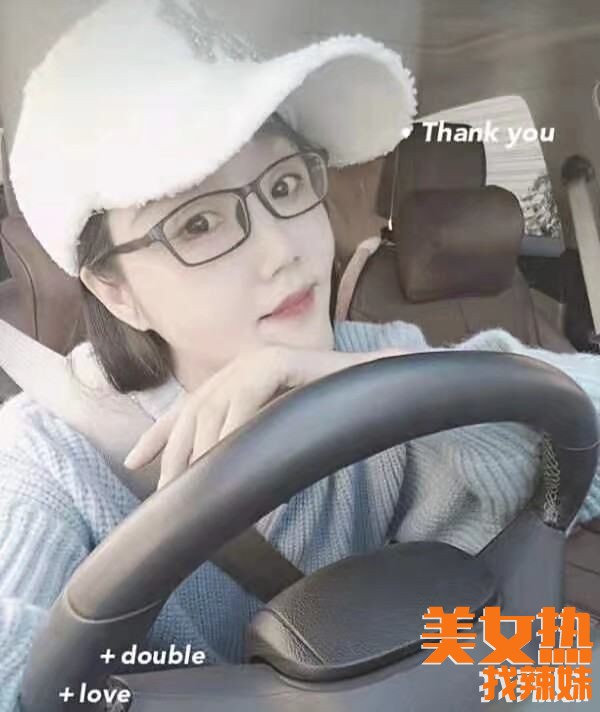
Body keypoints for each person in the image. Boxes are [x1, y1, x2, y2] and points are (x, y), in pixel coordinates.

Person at [0, 0, 599, 710]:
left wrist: (366, 386)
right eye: (198, 223)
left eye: (285, 186)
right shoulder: (46, 460)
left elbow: (575, 422)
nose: (282, 248)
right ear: (116, 291)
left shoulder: (376, 359)